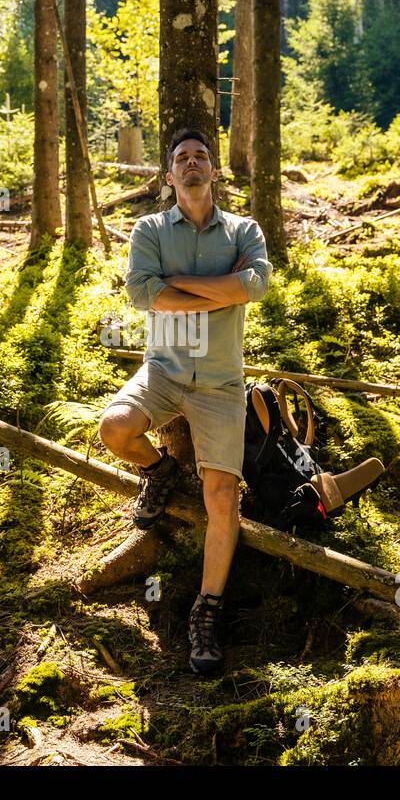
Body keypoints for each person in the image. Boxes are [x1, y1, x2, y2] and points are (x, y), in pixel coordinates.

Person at [97, 127, 273, 674]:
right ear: (169, 176)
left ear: (213, 172)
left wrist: (180, 285)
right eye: (181, 159)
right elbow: (142, 293)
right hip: (165, 371)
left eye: (201, 156)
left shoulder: (244, 229)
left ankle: (207, 608)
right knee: (114, 428)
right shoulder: (149, 228)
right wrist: (220, 288)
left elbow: (257, 285)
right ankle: (161, 469)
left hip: (221, 383)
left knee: (222, 497)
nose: (192, 163)